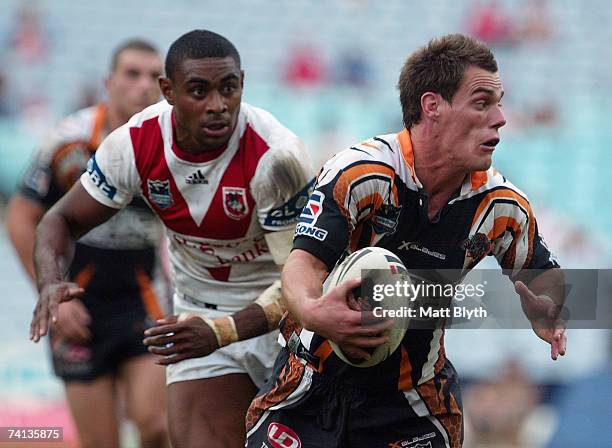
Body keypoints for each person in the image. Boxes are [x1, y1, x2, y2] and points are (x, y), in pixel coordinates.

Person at [245, 34, 566, 448]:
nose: (501, 117)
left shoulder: (502, 207)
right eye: (483, 102)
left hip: (413, 404)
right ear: (432, 106)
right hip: (310, 386)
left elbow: (545, 279)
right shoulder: (360, 173)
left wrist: (548, 306)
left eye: (501, 102)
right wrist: (312, 311)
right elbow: (302, 264)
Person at [28, 29, 314, 448]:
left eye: (228, 88)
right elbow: (59, 220)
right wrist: (50, 281)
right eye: (199, 91)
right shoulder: (133, 145)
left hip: (290, 321)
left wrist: (222, 331)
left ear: (242, 85)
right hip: (199, 316)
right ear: (169, 91)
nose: (217, 106)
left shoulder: (276, 158)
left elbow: (302, 281)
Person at [6, 39, 168, 448]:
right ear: (109, 81)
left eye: (154, 76)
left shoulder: (172, 145)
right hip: (77, 303)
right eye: (132, 73)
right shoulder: (68, 142)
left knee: (156, 425)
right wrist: (51, 293)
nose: (143, 85)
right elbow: (21, 218)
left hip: (143, 298)